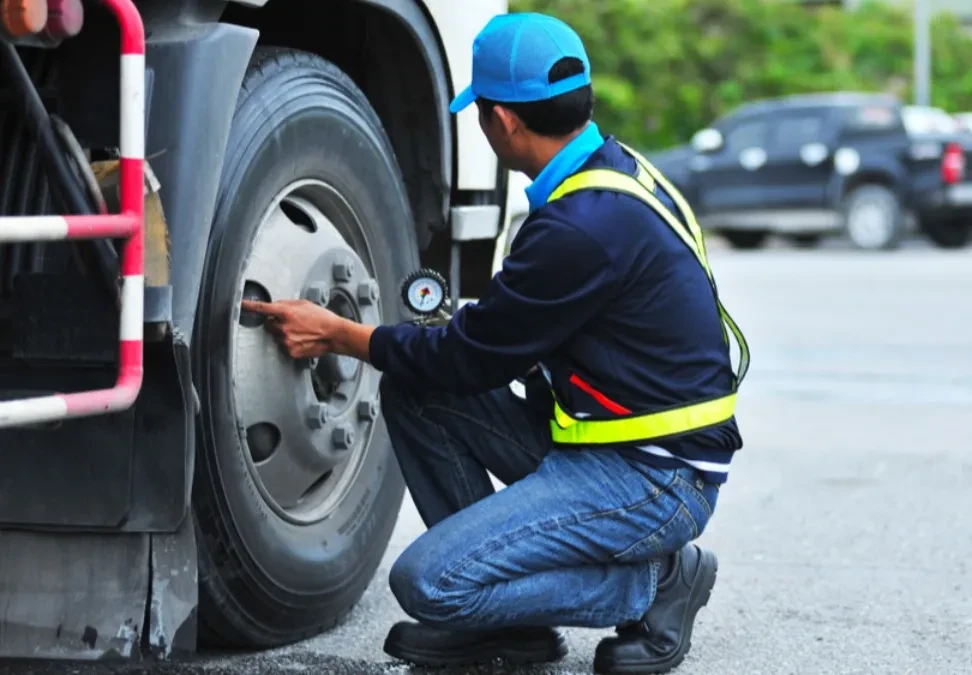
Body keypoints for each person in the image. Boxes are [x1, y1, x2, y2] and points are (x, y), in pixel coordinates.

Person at [239, 11, 749, 674]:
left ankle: (658, 582)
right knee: (416, 392)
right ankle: (514, 626)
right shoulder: (609, 175)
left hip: (654, 476)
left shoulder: (581, 225)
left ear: (504, 121)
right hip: (609, 441)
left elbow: (466, 360)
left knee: (425, 583)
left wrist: (342, 333)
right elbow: (504, 340)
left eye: (480, 111)